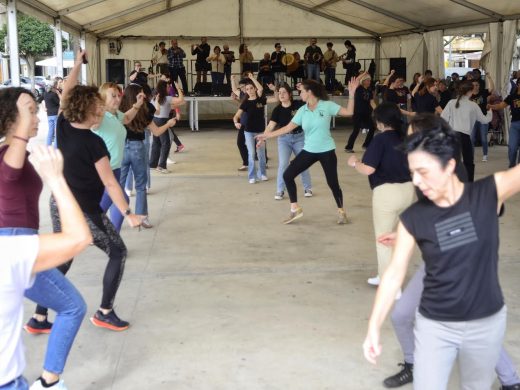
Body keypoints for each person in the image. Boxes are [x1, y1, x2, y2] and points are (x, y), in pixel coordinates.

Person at [363, 117, 520, 390]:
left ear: (449, 166)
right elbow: (393, 276)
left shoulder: (487, 195)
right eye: (412, 172)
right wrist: (374, 327)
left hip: (485, 321)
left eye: (423, 172)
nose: (416, 181)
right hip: (435, 324)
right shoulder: (413, 218)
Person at [0, 88, 86, 390]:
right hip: (14, 245)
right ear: (12, 118)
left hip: (20, 243)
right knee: (73, 306)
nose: (36, 117)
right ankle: (49, 382)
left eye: (35, 111)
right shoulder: (9, 155)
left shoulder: (16, 154)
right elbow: (10, 175)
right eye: (29, 111)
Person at [54, 50, 141, 332]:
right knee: (118, 252)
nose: (101, 110)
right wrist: (128, 213)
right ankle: (105, 311)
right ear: (86, 110)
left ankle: (40, 316)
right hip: (83, 210)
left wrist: (78, 64)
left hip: (59, 204)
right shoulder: (94, 144)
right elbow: (111, 183)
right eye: (97, 108)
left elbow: (67, 91)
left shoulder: (63, 127)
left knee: (65, 255)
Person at [256, 77, 359, 224]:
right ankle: (295, 209)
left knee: (333, 183)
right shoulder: (302, 111)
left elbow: (349, 112)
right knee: (288, 175)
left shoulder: (327, 105)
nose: (300, 94)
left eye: (302, 91)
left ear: (310, 92)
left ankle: (341, 211)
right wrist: (266, 136)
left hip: (327, 151)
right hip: (309, 150)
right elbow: (286, 128)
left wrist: (352, 93)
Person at [347, 102, 415, 287]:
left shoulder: (380, 140)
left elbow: (368, 169)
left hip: (387, 193)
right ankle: (392, 275)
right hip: (408, 191)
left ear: (381, 121)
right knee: (399, 238)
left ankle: (388, 281)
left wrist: (354, 163)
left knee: (384, 239)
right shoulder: (406, 137)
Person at [94, 82, 142, 231]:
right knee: (119, 200)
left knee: (113, 201)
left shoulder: (115, 115)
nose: (117, 99)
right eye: (112, 96)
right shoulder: (100, 116)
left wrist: (137, 105)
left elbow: (127, 118)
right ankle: (100, 232)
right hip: (102, 169)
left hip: (115, 168)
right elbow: (92, 124)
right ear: (102, 98)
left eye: (118, 95)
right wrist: (98, 107)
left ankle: (102, 232)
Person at [264, 82, 312, 200]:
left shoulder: (298, 105)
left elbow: (311, 99)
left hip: (299, 138)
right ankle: (280, 190)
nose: (281, 95)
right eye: (279, 93)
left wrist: (302, 88)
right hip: (284, 139)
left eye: (284, 92)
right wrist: (263, 137)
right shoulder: (277, 110)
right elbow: (270, 126)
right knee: (283, 164)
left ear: (290, 94)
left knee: (303, 163)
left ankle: (307, 187)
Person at [441, 80, 492, 182]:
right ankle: (468, 185)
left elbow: (442, 119)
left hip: (451, 136)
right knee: (468, 162)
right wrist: (490, 111)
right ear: (470, 91)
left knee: (452, 161)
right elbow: (485, 120)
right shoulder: (473, 105)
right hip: (464, 137)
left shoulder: (451, 103)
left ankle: (450, 183)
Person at [233, 74, 270, 184]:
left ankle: (262, 173)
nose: (249, 90)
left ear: (254, 89)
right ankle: (252, 176)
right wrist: (236, 123)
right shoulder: (245, 103)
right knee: (252, 153)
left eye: (251, 88)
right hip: (248, 131)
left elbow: (261, 88)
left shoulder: (261, 100)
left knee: (261, 154)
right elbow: (236, 116)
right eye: (247, 89)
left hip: (260, 131)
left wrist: (253, 78)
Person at [149, 80, 185, 174]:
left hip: (155, 120)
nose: (169, 88)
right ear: (164, 88)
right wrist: (178, 88)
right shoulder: (167, 98)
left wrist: (176, 105)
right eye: (168, 87)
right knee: (166, 143)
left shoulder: (154, 98)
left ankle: (152, 164)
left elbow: (172, 105)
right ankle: (161, 166)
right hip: (162, 121)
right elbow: (181, 99)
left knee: (156, 143)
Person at [489, 78, 520, 168]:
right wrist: (491, 106)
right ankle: (512, 166)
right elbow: (500, 105)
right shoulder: (512, 97)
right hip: (515, 124)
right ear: (518, 85)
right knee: (512, 148)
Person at [345, 73, 376, 152]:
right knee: (356, 130)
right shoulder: (359, 88)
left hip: (367, 113)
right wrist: (364, 73)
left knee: (372, 127)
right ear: (363, 81)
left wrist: (377, 110)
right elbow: (356, 80)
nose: (369, 82)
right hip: (358, 113)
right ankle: (349, 147)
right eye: (367, 80)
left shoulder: (369, 90)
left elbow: (372, 102)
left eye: (370, 80)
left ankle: (366, 145)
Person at [470, 74, 495, 162]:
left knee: (484, 138)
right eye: (473, 85)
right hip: (472, 120)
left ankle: (485, 155)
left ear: (479, 86)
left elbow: (492, 88)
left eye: (477, 85)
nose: (475, 87)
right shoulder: (468, 95)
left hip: (483, 119)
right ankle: (471, 156)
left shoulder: (483, 93)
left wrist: (489, 78)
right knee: (471, 139)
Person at [231, 74, 249, 171]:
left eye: (243, 87)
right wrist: (232, 80)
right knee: (240, 143)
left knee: (257, 143)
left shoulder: (253, 94)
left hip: (253, 123)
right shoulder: (242, 94)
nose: (242, 89)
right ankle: (246, 163)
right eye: (241, 87)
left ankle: (263, 160)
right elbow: (234, 90)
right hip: (243, 122)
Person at [43, 80, 61, 147]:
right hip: (55, 114)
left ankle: (48, 146)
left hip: (49, 114)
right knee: (56, 132)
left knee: (50, 131)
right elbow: (59, 102)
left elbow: (41, 100)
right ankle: (55, 147)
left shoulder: (45, 94)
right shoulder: (54, 94)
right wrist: (58, 94)